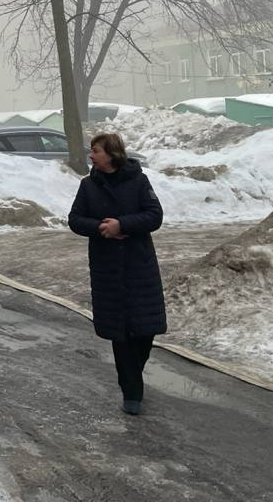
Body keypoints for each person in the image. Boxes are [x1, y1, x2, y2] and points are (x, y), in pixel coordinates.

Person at [68, 132, 166, 417]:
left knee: (145, 330)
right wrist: (102, 228)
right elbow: (75, 220)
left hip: (139, 264)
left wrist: (122, 224)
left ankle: (133, 373)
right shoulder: (88, 185)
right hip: (107, 267)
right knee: (120, 332)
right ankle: (131, 391)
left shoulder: (138, 180)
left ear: (111, 153)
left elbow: (154, 215)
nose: (91, 155)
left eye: (96, 151)